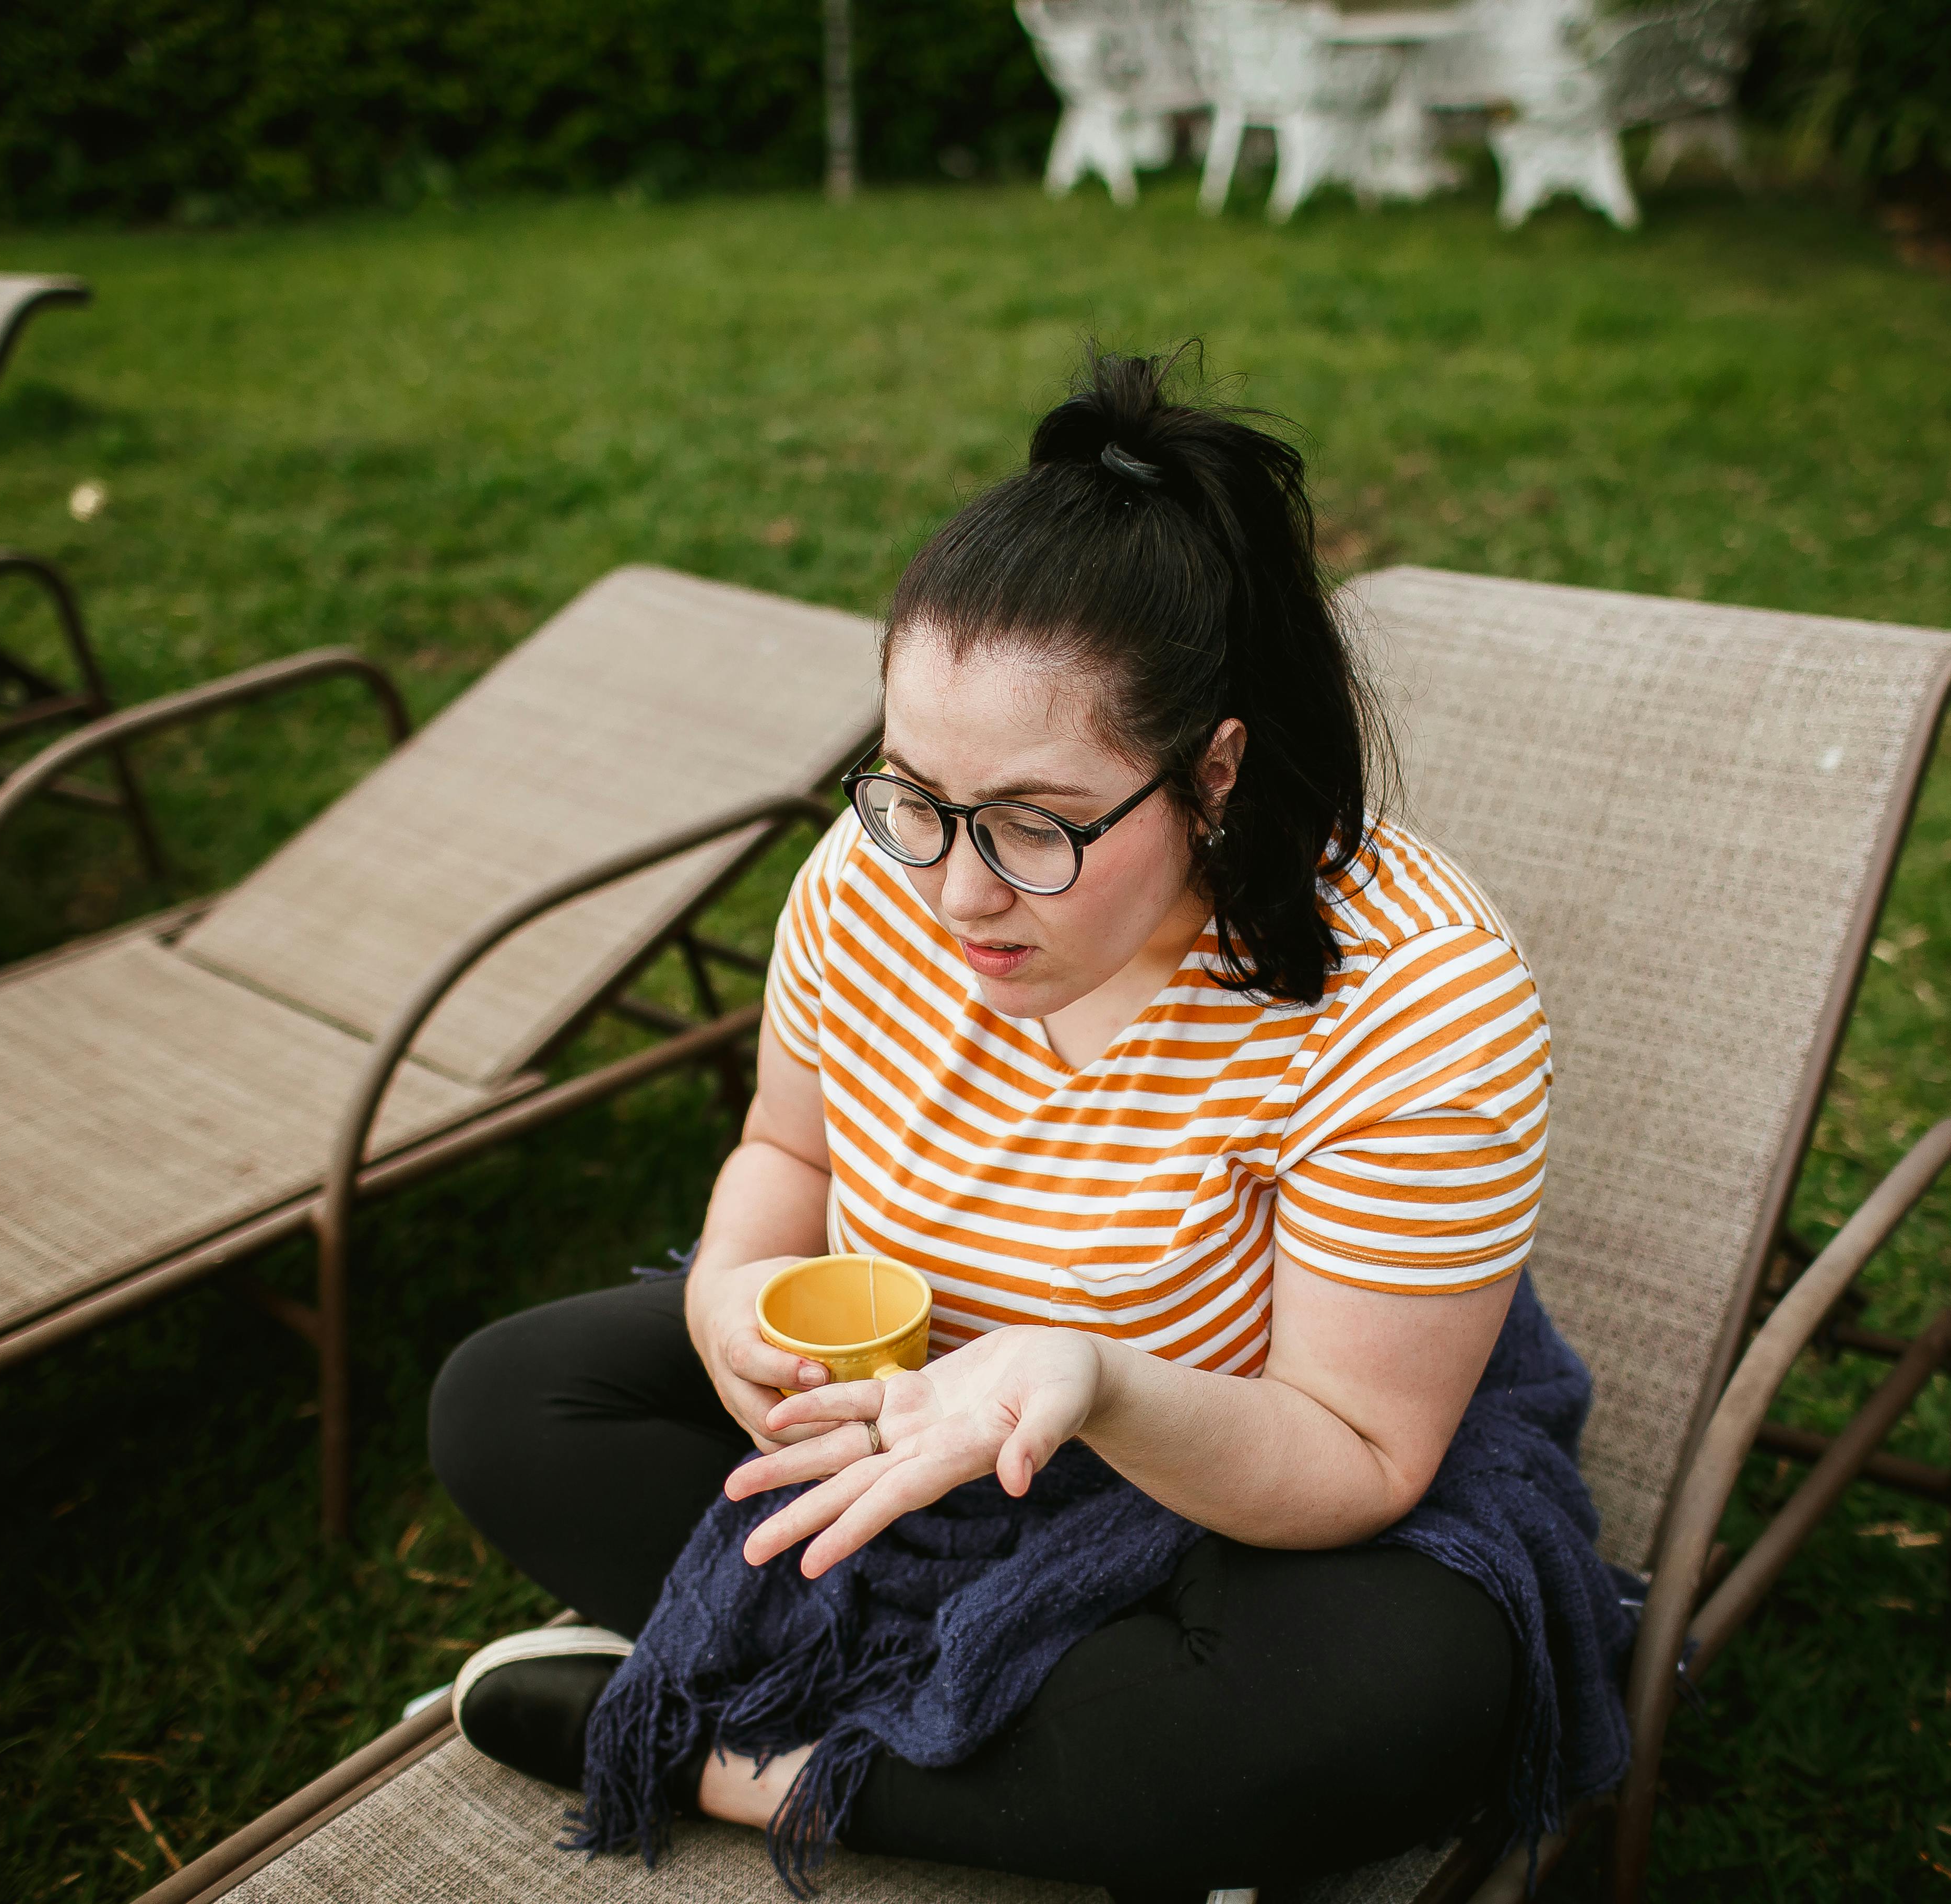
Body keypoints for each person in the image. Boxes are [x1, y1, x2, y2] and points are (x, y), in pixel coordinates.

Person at [428, 349, 1626, 1901]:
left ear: (1213, 772)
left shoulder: (1416, 1003)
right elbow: (786, 1155)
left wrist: (1098, 1383)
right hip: (905, 1401)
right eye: (917, 793)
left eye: (1039, 826)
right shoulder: (876, 878)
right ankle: (1043, 1744)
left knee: (1410, 1681)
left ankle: (737, 1751)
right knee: (505, 1402)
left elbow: (1359, 1454)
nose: (957, 891)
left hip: (1223, 1467)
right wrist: (731, 1287)